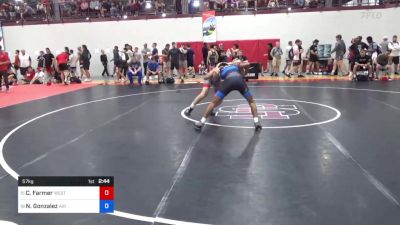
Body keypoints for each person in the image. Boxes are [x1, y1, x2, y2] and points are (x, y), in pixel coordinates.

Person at [194, 61, 262, 131]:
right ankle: (257, 122)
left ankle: (201, 122)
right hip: (239, 80)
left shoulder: (220, 68)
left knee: (213, 103)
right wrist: (242, 69)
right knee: (251, 102)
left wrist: (215, 72)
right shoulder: (235, 66)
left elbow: (206, 77)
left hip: (228, 82)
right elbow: (248, 64)